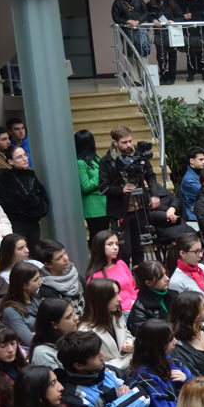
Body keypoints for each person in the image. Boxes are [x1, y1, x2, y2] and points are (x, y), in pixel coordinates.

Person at [54, 330, 150, 407]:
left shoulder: (108, 370)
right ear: (79, 365)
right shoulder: (71, 395)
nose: (103, 356)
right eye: (96, 355)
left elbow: (143, 395)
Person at [98, 126, 162, 264]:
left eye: (130, 141)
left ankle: (140, 275)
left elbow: (151, 176)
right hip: (120, 212)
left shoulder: (138, 155)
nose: (129, 145)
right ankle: (125, 275)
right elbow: (103, 188)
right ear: (115, 142)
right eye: (124, 142)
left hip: (140, 208)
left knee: (139, 249)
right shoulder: (106, 161)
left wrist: (154, 195)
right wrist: (122, 189)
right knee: (124, 251)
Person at [128, 320, 193, 407]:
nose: (176, 341)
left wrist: (187, 380)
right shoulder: (144, 375)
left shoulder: (173, 362)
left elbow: (198, 387)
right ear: (158, 344)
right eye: (170, 339)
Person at [0, 143, 49, 247]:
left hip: (33, 221)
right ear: (11, 161)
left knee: (35, 250)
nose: (24, 158)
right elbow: (13, 202)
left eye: (25, 155)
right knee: (20, 249)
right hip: (17, 222)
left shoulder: (30, 175)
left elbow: (42, 196)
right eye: (19, 157)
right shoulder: (5, 176)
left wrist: (38, 208)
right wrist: (33, 202)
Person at [80, 278, 134, 370]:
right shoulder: (85, 331)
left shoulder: (116, 316)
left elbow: (128, 336)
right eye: (113, 296)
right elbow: (94, 365)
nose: (119, 299)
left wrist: (131, 344)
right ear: (100, 299)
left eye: (118, 293)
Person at [86, 230, 137, 312]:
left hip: (135, 304)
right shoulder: (94, 277)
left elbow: (132, 287)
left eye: (117, 244)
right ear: (100, 247)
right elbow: (102, 306)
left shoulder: (121, 263)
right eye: (110, 244)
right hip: (118, 312)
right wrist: (128, 305)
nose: (115, 247)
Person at [110, 0, 150, 79]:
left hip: (140, 31)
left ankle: (145, 79)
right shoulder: (118, 2)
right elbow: (116, 17)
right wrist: (127, 21)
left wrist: (138, 21)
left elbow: (146, 12)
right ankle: (135, 80)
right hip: (127, 32)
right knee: (131, 56)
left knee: (143, 55)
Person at [37, 239, 86, 317]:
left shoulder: (75, 275)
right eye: (59, 258)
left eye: (64, 253)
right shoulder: (47, 291)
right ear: (48, 264)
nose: (66, 258)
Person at [75, 130, 109, 241]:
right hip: (93, 208)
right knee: (97, 238)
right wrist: (101, 174)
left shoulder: (96, 158)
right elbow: (85, 186)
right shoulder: (80, 163)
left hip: (104, 204)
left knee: (105, 238)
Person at [127, 260, 177, 335]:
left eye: (166, 274)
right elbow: (145, 337)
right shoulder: (140, 309)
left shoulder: (174, 296)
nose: (167, 278)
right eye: (161, 277)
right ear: (148, 283)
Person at [0, 261, 42, 345]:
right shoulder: (10, 311)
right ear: (23, 285)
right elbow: (30, 340)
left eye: (39, 278)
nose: (41, 282)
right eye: (36, 280)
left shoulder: (35, 297)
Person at [147, 0, 182, 85]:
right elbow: (146, 14)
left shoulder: (172, 3)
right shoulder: (151, 4)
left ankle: (172, 77)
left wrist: (173, 21)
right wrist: (153, 20)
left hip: (171, 33)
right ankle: (163, 76)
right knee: (161, 56)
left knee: (172, 56)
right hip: (159, 33)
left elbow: (181, 16)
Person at [31, 297, 78, 369]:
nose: (76, 317)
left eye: (73, 313)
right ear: (54, 324)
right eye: (69, 316)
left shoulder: (74, 335)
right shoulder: (43, 353)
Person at [181, 0, 204, 82]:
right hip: (188, 30)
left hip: (199, 30)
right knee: (190, 53)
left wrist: (192, 16)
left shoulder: (201, 1)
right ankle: (191, 74)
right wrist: (184, 16)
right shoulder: (183, 2)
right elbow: (179, 14)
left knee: (201, 53)